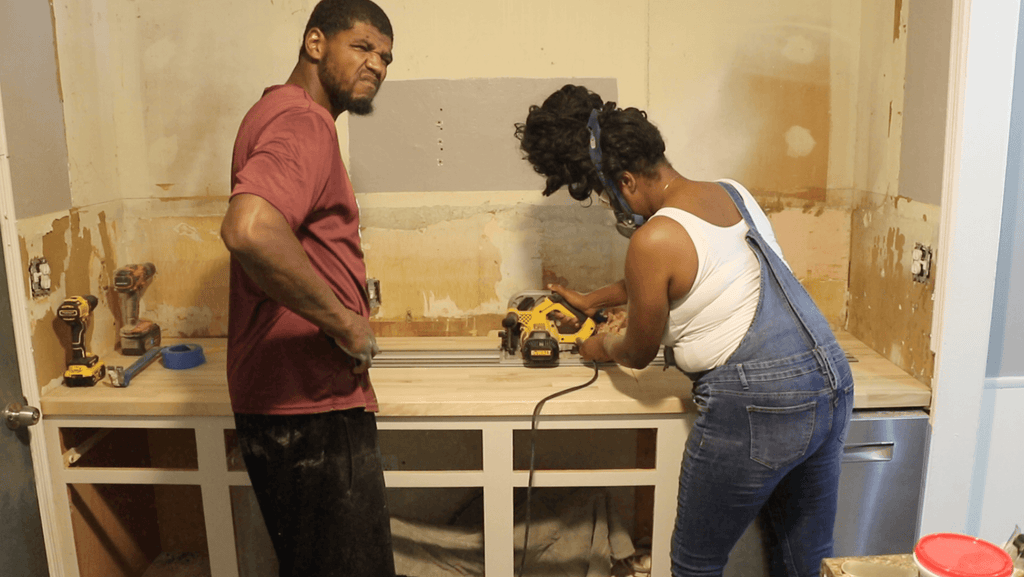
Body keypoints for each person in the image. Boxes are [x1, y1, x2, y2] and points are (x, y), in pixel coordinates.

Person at [514, 84, 854, 577]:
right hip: (831, 383)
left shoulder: (653, 238)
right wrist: (593, 300)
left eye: (609, 198)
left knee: (697, 564)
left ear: (626, 181)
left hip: (757, 405)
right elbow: (698, 272)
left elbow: (635, 351)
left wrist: (597, 344)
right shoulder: (731, 192)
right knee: (804, 560)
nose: (614, 209)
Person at [219, 1, 396, 575]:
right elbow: (250, 230)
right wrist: (344, 322)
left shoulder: (276, 113)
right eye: (363, 47)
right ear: (315, 43)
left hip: (290, 403)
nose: (377, 64)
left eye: (386, 57)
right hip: (309, 406)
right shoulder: (304, 121)